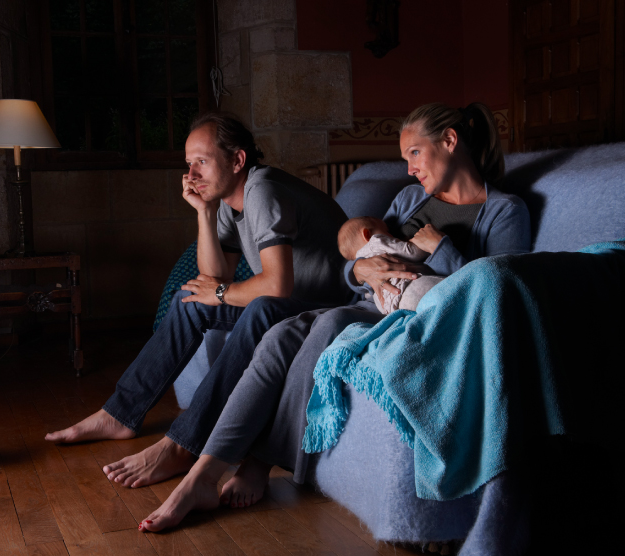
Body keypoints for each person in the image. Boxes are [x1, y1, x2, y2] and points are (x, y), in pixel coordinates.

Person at [136, 101, 532, 532]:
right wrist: (361, 268)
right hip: (364, 302)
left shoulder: (504, 211)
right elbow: (357, 264)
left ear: (450, 142)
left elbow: (495, 293)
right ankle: (202, 475)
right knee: (279, 335)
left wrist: (442, 248)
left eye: (414, 154)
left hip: (418, 315)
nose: (409, 169)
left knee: (322, 326)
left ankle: (259, 460)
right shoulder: (408, 200)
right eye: (405, 159)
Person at [45, 112, 351, 488]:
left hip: (328, 310)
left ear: (238, 160)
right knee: (190, 300)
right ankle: (121, 414)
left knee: (258, 306)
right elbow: (215, 279)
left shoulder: (263, 190)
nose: (191, 174)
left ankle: (184, 444)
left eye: (202, 162)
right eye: (188, 164)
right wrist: (204, 214)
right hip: (290, 305)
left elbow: (277, 287)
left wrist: (220, 292)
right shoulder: (227, 201)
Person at [337, 216, 445, 313]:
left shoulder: (364, 265)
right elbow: (412, 252)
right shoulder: (376, 242)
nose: (391, 236)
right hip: (411, 288)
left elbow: (369, 294)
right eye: (387, 231)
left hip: (392, 308)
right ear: (367, 234)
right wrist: (431, 243)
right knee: (447, 290)